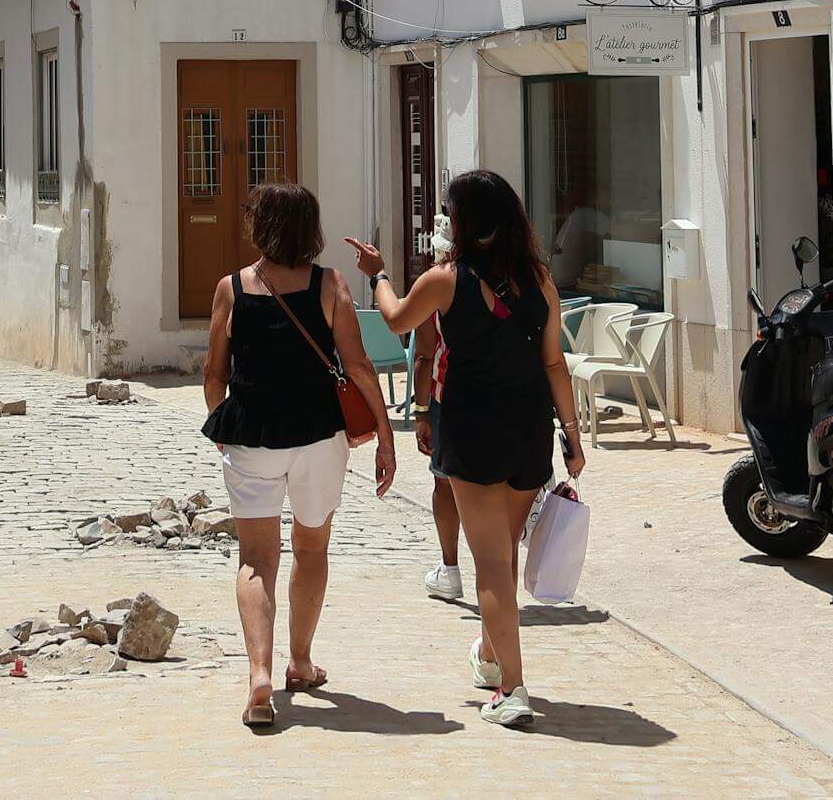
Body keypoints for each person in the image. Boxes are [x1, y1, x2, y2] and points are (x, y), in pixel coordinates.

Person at [349, 170, 582, 728]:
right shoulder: (541, 282)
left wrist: (377, 273)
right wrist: (573, 435)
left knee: (492, 566)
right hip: (528, 429)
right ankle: (489, 653)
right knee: (502, 549)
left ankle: (513, 688)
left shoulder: (444, 280)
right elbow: (554, 363)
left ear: (463, 221)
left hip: (472, 429)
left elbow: (398, 316)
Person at [202, 182, 397, 728]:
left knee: (255, 558)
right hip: (318, 438)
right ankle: (301, 662)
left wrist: (224, 426)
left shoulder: (230, 289)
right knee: (311, 548)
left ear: (260, 227)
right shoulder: (331, 284)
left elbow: (214, 373)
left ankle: (259, 675)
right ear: (310, 228)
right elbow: (358, 366)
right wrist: (384, 433)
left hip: (252, 435)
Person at [409, 214, 462, 602]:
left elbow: (425, 354)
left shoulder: (439, 282)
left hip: (450, 394)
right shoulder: (508, 277)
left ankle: (450, 567)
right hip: (502, 396)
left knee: (444, 482)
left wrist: (422, 411)